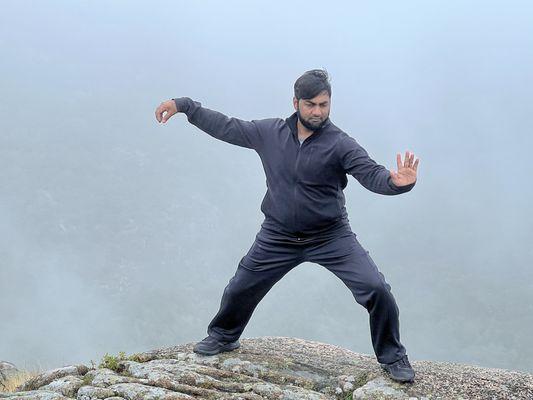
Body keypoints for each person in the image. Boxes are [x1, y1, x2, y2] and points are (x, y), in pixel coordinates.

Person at [154, 69, 419, 383]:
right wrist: (185, 106)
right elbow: (227, 127)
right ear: (296, 103)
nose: (317, 111)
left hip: (330, 236)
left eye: (323, 104)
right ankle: (224, 336)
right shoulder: (270, 133)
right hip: (278, 235)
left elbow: (372, 174)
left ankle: (393, 358)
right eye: (310, 105)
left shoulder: (340, 144)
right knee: (241, 287)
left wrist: (397, 183)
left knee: (376, 289)